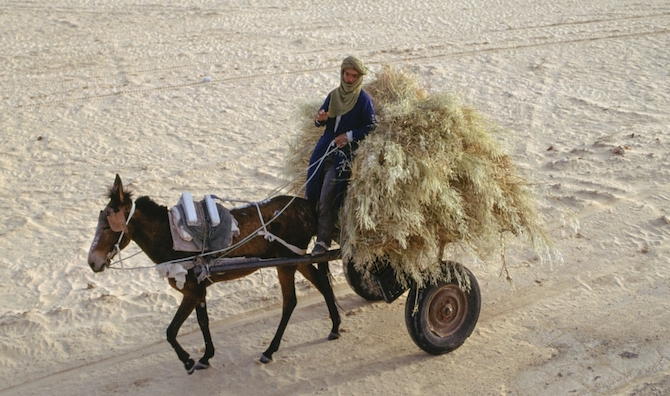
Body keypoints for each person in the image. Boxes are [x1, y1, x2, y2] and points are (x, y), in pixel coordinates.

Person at [306, 56, 376, 256]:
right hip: (324, 149)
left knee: (328, 193)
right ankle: (314, 229)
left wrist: (349, 136)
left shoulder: (364, 100)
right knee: (312, 187)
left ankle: (323, 240)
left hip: (344, 155)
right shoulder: (334, 95)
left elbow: (371, 126)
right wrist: (320, 120)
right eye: (347, 74)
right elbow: (322, 119)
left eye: (354, 76)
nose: (350, 79)